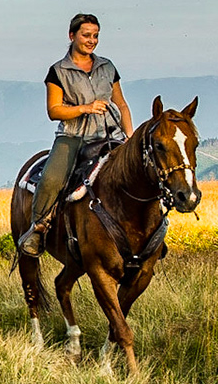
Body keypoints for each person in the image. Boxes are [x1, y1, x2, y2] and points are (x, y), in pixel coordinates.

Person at [16, 13, 134, 257]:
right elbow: (54, 110)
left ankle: (151, 229)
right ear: (72, 36)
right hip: (72, 137)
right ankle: (37, 229)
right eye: (86, 35)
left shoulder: (107, 67)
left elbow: (121, 104)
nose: (91, 40)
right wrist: (85, 108)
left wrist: (129, 136)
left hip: (109, 134)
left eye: (95, 36)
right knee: (51, 179)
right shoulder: (58, 71)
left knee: (141, 169)